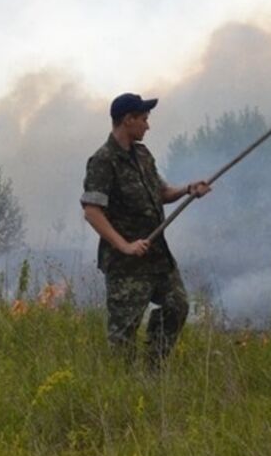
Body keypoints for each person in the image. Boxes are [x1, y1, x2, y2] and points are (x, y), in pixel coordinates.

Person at [80, 93, 211, 368]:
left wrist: (188, 189)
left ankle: (153, 369)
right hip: (126, 265)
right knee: (123, 336)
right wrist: (124, 245)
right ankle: (123, 389)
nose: (148, 126)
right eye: (144, 120)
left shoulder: (142, 154)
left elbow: (161, 192)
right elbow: (92, 211)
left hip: (157, 257)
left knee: (177, 305)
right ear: (128, 120)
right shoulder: (103, 161)